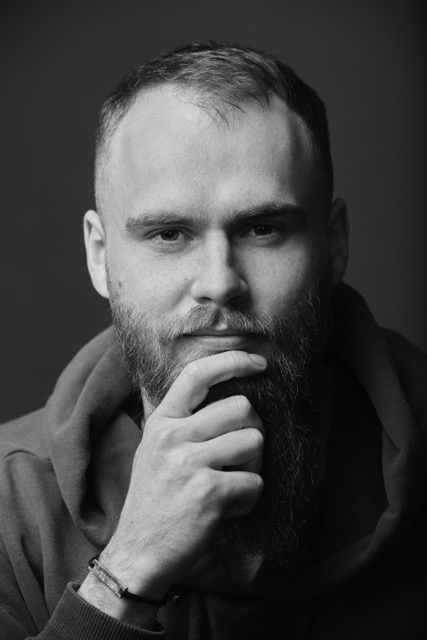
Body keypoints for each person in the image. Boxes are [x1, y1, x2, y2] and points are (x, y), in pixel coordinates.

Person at [0, 41, 426, 640]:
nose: (220, 282)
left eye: (263, 228)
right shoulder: (9, 503)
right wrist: (126, 572)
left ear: (333, 244)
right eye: (168, 234)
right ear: (100, 255)